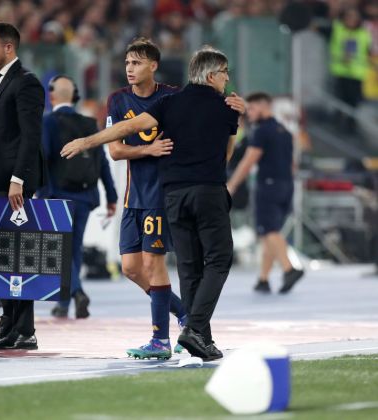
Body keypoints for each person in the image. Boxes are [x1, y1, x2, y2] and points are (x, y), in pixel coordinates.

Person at [61, 46, 244, 361]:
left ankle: (198, 338)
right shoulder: (226, 106)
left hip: (172, 195)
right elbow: (226, 152)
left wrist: (87, 141)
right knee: (218, 260)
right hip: (205, 191)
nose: (227, 79)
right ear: (213, 75)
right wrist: (238, 115)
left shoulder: (169, 102)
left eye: (136, 62)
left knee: (187, 268)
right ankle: (194, 328)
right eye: (225, 73)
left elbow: (128, 128)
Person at [106, 38, 189, 359]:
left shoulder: (172, 97)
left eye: (136, 63)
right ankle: (185, 315)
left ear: (153, 66)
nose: (129, 69)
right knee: (130, 268)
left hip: (160, 195)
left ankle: (160, 340)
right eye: (127, 63)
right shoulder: (117, 100)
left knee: (154, 265)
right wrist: (147, 149)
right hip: (133, 197)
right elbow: (115, 151)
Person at [0, 23, 45, 350]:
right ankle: (9, 322)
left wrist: (19, 179)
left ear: (8, 48)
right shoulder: (1, 81)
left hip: (11, 185)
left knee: (17, 254)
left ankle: (24, 328)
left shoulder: (26, 83)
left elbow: (31, 136)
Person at [38, 74, 118, 319]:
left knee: (59, 251)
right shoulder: (89, 123)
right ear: (74, 97)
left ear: (51, 97)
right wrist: (111, 196)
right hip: (85, 196)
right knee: (73, 249)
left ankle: (76, 292)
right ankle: (64, 303)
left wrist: (42, 193)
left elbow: (43, 157)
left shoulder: (48, 122)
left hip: (58, 196)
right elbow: (102, 161)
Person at [226, 92, 304, 294]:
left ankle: (289, 269)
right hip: (286, 185)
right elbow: (292, 163)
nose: (248, 113)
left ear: (262, 106)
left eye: (251, 109)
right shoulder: (284, 131)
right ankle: (263, 279)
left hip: (268, 185)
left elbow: (249, 160)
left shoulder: (261, 131)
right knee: (270, 232)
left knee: (269, 231)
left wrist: (232, 185)